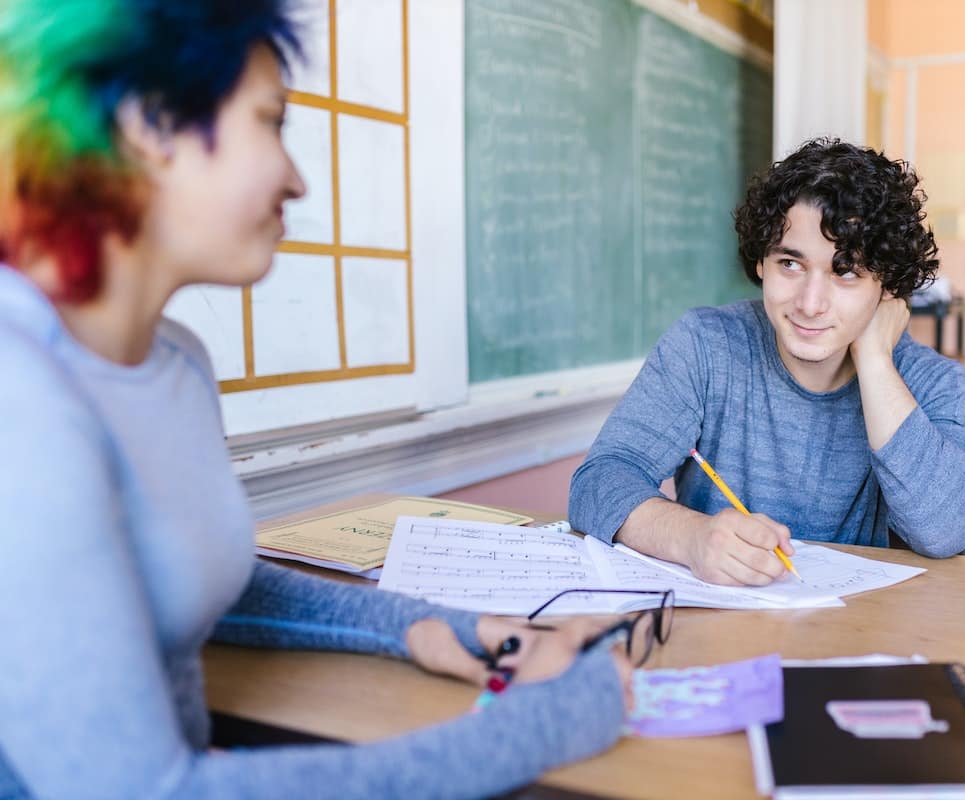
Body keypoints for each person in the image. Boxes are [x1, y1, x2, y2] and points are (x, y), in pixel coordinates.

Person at [0, 2, 629, 798]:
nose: (296, 176)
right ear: (153, 124)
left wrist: (424, 628)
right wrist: (548, 723)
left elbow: (183, 580)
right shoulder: (19, 402)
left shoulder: (177, 364)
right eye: (270, 120)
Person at [569, 139, 965, 586]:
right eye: (790, 263)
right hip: (722, 630)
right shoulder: (705, 345)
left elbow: (948, 530)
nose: (810, 304)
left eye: (846, 270)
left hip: (865, 633)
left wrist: (873, 358)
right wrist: (692, 537)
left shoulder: (933, 381)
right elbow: (598, 482)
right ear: (761, 262)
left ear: (887, 285)